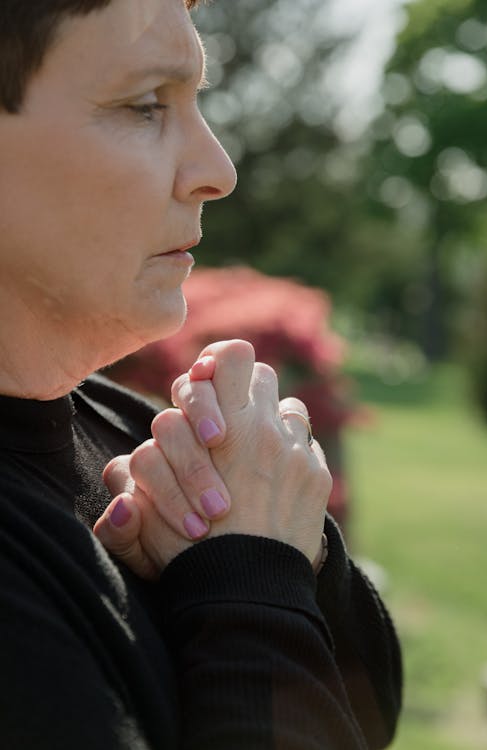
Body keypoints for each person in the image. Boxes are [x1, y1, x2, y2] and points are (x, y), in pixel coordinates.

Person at [0, 1, 402, 748]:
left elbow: (370, 710)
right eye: (147, 105)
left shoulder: (130, 435)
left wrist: (287, 542)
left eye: (197, 102)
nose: (218, 171)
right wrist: (253, 576)